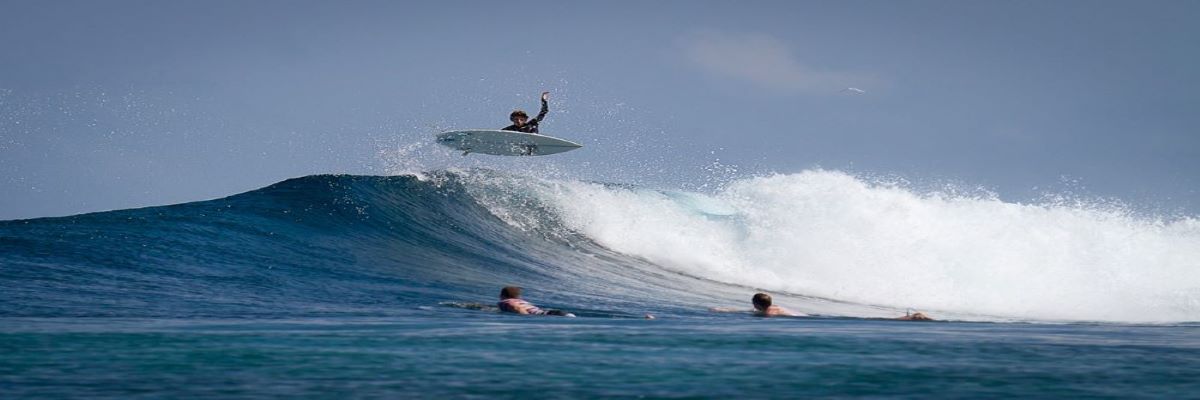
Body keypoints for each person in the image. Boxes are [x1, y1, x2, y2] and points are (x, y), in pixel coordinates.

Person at [497, 286, 574, 317]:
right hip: (554, 313)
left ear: (502, 295)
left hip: (549, 315)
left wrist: (527, 317)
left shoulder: (505, 302)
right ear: (518, 296)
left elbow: (517, 308)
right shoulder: (522, 301)